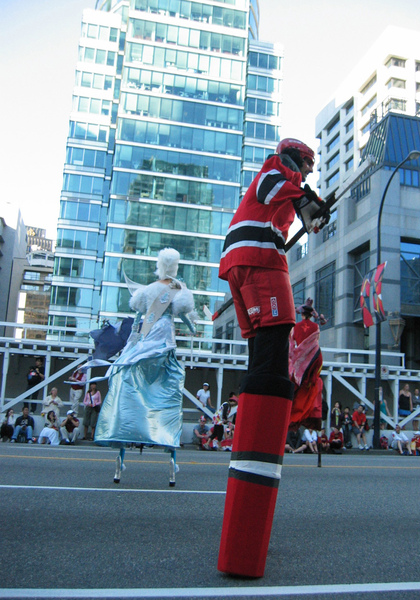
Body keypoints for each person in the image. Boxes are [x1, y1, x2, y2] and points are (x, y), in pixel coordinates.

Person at [217, 137, 330, 577]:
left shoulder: (285, 187)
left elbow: (301, 213)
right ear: (294, 160)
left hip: (246, 259)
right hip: (260, 261)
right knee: (275, 344)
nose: (305, 175)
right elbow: (273, 190)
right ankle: (270, 410)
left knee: (263, 348)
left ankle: (265, 415)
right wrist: (306, 196)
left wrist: (313, 213)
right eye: (305, 166)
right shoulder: (275, 171)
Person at [94, 248, 197, 486]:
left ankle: (120, 460)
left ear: (159, 266)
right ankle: (169, 456)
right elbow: (184, 315)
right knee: (167, 391)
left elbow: (138, 320)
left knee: (128, 385)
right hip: (164, 341)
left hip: (144, 342)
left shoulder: (148, 290)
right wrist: (192, 328)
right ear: (176, 267)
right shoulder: (178, 289)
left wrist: (132, 343)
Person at [289, 298, 325, 431]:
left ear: (301, 314)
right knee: (313, 384)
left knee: (297, 385)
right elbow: (315, 342)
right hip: (315, 359)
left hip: (301, 361)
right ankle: (311, 414)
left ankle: (295, 414)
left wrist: (293, 358)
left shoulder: (295, 327)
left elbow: (292, 346)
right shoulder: (316, 327)